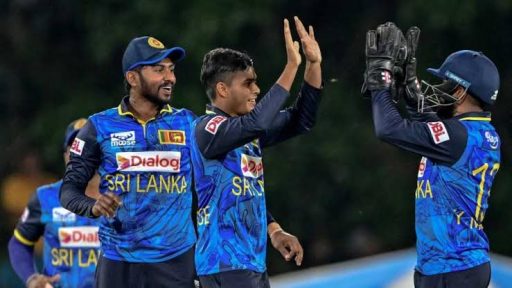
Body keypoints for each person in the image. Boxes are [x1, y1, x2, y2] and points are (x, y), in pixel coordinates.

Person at [363, 22, 500, 288]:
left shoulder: (458, 137)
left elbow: (388, 129)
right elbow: (431, 127)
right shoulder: (472, 132)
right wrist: (409, 89)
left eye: (444, 83)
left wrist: (380, 79)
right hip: (449, 267)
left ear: (460, 91)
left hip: (455, 269)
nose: (438, 89)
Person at [191, 16, 322, 288]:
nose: (257, 90)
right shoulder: (207, 128)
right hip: (224, 265)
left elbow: (302, 120)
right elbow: (258, 122)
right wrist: (291, 67)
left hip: (251, 263)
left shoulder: (247, 132)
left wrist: (313, 64)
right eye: (248, 83)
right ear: (223, 89)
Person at [59, 36, 198, 287]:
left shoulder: (188, 123)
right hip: (119, 260)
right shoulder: (98, 126)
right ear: (132, 78)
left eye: (172, 69)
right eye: (159, 70)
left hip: (176, 260)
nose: (170, 78)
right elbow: (68, 191)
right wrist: (93, 206)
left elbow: (225, 176)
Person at [8, 118, 101, 288]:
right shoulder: (45, 197)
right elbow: (19, 243)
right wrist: (31, 278)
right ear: (65, 155)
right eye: (73, 147)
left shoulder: (124, 198)